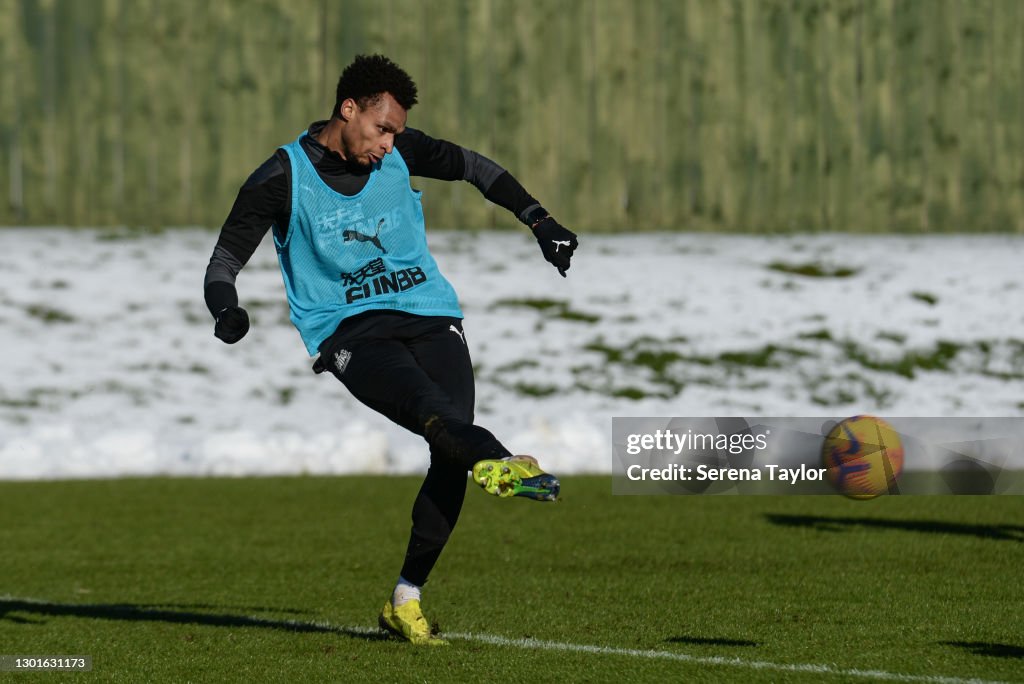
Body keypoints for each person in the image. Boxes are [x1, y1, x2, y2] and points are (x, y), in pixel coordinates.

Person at [203, 54, 578, 646]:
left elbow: (475, 168)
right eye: (382, 129)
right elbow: (223, 261)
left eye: (396, 132)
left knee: (453, 444)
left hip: (430, 316)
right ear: (348, 110)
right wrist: (226, 310)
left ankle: (406, 597)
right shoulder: (282, 177)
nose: (389, 143)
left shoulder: (401, 150)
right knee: (438, 417)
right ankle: (506, 461)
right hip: (351, 334)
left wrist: (539, 220)